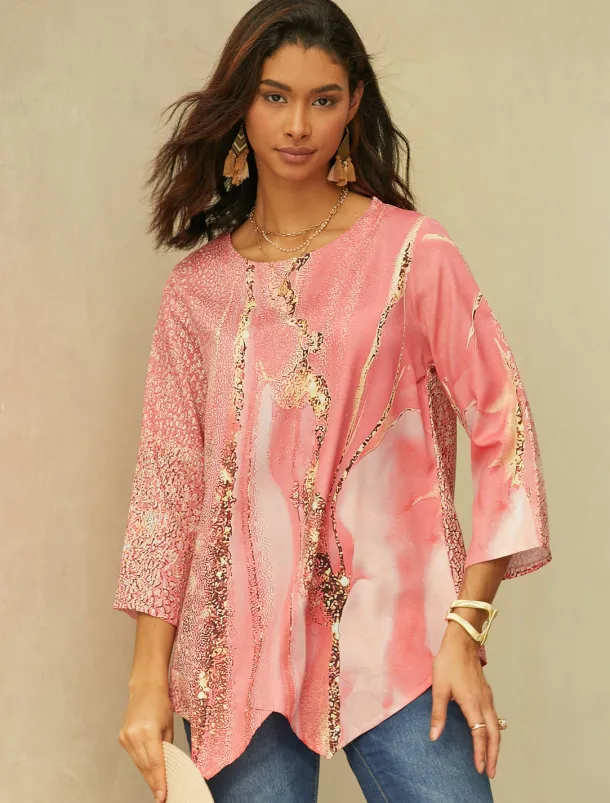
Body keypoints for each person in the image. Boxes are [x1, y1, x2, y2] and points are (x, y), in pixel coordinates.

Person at [113, 1, 551, 801]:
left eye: (323, 99)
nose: (297, 125)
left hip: (403, 644)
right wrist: (148, 680)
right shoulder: (196, 293)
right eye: (275, 96)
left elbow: (504, 425)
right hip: (235, 658)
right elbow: (166, 493)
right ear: (242, 104)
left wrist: (466, 626)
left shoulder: (413, 254)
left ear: (354, 104)